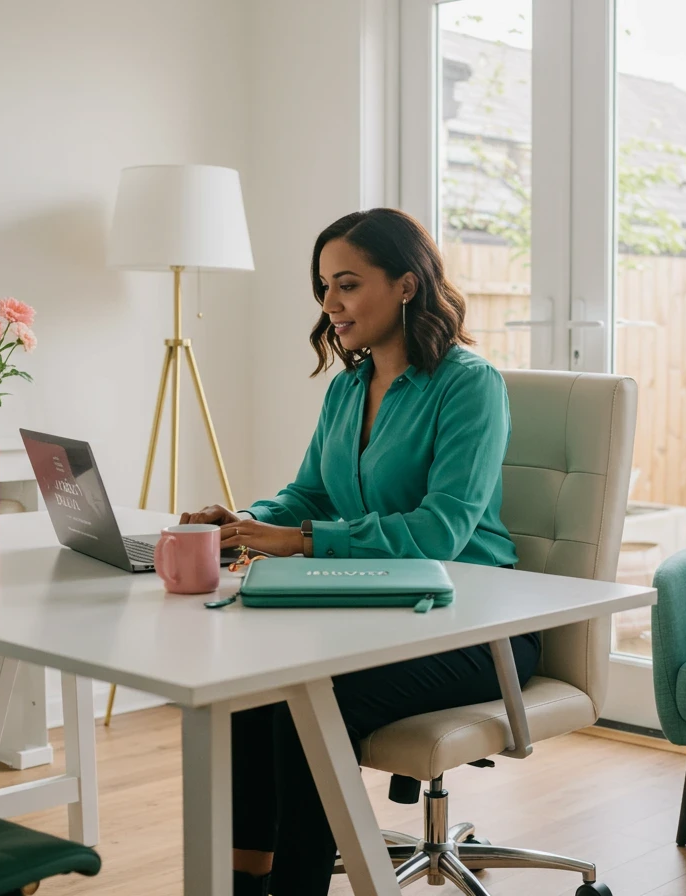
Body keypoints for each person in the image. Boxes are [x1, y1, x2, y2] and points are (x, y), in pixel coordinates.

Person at [179, 208, 538, 896]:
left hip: (480, 627)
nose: (330, 304)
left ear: (406, 285)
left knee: (312, 698)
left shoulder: (470, 385)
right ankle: (246, 879)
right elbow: (311, 493)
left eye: (347, 284)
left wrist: (300, 541)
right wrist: (247, 520)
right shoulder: (348, 387)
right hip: (384, 611)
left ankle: (297, 885)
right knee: (255, 684)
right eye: (322, 287)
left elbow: (440, 531)